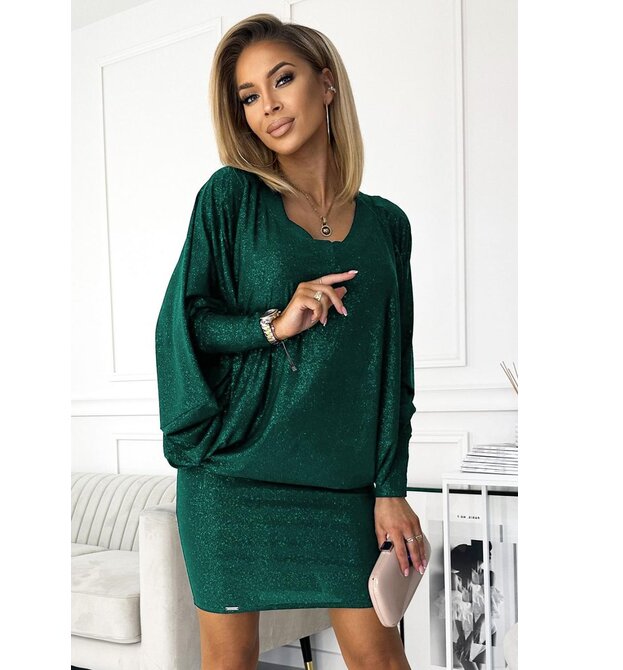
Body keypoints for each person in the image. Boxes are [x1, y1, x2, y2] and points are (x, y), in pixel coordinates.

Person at [154, 13, 426, 670]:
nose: (268, 106)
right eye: (249, 96)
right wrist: (272, 324)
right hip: (233, 482)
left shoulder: (387, 225)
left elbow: (396, 367)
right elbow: (184, 326)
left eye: (282, 80)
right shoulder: (229, 198)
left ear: (326, 85)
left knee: (382, 661)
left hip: (343, 489)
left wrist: (391, 487)